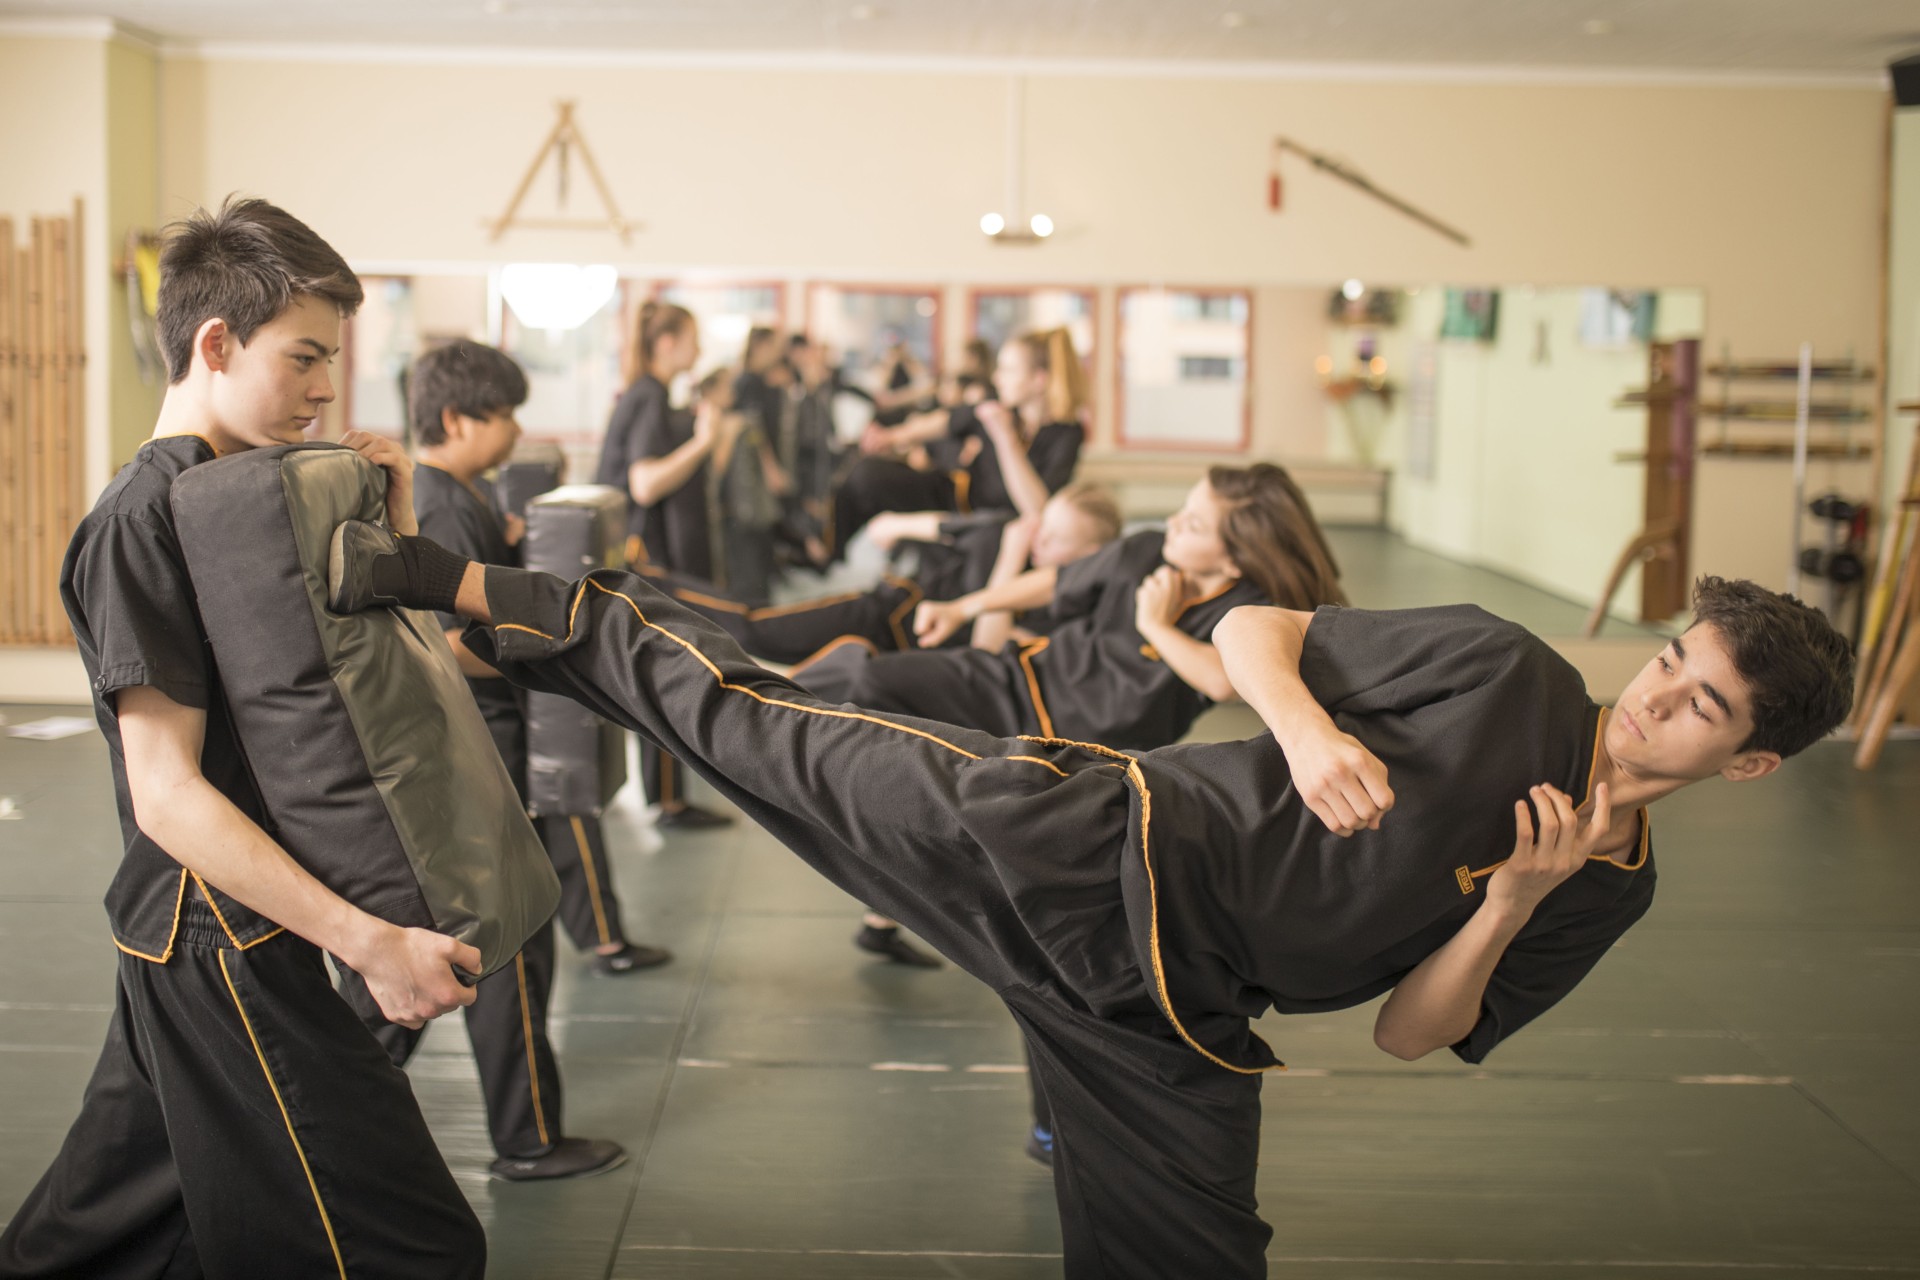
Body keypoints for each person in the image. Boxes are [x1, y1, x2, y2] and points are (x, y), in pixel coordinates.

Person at [326, 526, 1854, 1280]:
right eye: (1670, 662)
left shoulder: (1608, 892)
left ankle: (548, 634)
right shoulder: (1509, 673)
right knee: (774, 736)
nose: (1655, 701)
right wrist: (1308, 734)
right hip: (1090, 844)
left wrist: (1511, 902)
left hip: (1172, 1017)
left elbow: (1409, 1034)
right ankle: (522, 600)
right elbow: (1258, 628)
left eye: (1701, 708)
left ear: (1749, 764)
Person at [0, 198, 487, 1278]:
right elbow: (167, 792)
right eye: (303, 357)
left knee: (105, 1230)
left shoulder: (256, 499)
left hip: (225, 922)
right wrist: (366, 942)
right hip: (214, 933)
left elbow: (380, 687)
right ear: (215, 343)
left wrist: (398, 530)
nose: (324, 389)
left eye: (332, 361)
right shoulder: (140, 521)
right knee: (409, 1245)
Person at [334, 339, 662, 1183]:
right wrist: (547, 642)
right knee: (503, 941)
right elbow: (439, 645)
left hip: (478, 752)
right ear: (457, 419)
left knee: (462, 947)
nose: (517, 429)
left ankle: (330, 1117)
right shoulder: (441, 508)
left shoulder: (462, 498)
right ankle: (525, 1138)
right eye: (505, 414)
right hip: (471, 756)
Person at [800, 464, 1343, 752]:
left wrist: (1155, 624)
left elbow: (1223, 682)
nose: (1173, 523)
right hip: (1017, 678)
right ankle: (773, 702)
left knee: (898, 719)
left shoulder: (1252, 612)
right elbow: (1052, 583)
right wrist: (963, 608)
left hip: (1078, 743)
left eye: (1194, 524)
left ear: (1234, 560)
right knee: (871, 680)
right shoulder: (1146, 549)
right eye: (1183, 509)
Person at [593, 300, 735, 830]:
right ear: (668, 342)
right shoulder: (648, 396)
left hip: (643, 555)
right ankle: (668, 801)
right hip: (641, 558)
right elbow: (645, 483)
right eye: (693, 338)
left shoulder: (650, 395)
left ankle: (667, 797)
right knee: (664, 671)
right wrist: (703, 442)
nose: (699, 350)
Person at [821, 328, 1086, 563]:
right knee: (868, 475)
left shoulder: (1066, 434)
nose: (997, 377)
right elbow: (945, 420)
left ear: (1038, 380)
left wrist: (1005, 438)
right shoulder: (998, 405)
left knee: (986, 530)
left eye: (1008, 370)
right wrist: (890, 437)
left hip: (992, 526)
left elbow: (1037, 510)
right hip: (955, 498)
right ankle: (829, 550)